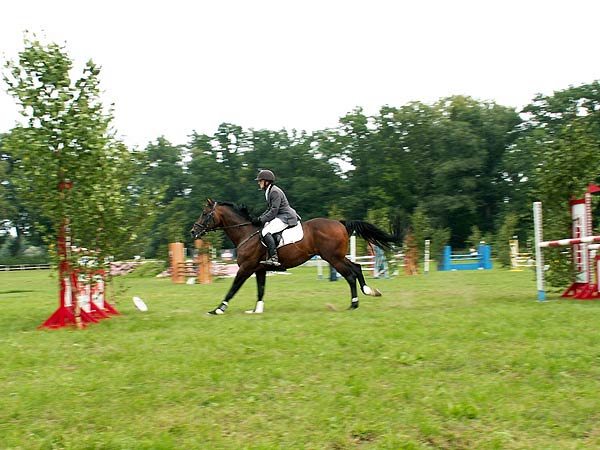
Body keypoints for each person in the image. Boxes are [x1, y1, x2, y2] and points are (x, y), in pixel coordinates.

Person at [251, 169, 299, 267]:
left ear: (266, 182)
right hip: (280, 215)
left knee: (265, 232)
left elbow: (274, 211)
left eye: (260, 181)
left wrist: (261, 220)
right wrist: (260, 218)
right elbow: (269, 209)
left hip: (285, 216)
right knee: (265, 227)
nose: (258, 183)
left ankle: (274, 258)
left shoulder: (274, 192)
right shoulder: (269, 191)